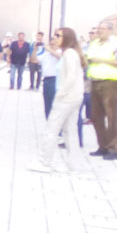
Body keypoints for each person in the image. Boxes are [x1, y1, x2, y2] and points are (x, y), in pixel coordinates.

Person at [30, 27, 88, 173]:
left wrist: (60, 94)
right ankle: (75, 165)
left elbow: (70, 77)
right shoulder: (72, 53)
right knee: (70, 132)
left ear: (67, 38)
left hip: (66, 98)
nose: (54, 38)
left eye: (58, 35)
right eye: (55, 35)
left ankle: (45, 162)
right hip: (74, 97)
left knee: (52, 129)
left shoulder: (68, 54)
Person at [86, 21, 117, 160]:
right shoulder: (94, 43)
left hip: (110, 81)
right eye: (98, 28)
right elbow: (89, 59)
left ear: (110, 30)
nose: (99, 31)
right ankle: (102, 146)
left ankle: (113, 148)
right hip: (95, 81)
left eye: (102, 29)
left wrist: (101, 60)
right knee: (96, 116)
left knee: (111, 115)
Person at [37, 30, 62, 118]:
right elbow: (34, 60)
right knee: (47, 104)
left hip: (55, 80)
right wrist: (35, 49)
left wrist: (49, 50)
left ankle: (55, 126)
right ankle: (49, 123)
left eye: (54, 43)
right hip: (46, 80)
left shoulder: (60, 52)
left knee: (53, 104)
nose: (52, 45)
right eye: (51, 44)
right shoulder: (46, 54)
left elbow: (60, 57)